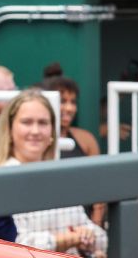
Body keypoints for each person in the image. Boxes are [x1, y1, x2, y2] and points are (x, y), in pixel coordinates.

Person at [0, 90, 107, 257]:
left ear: (52, 132)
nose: (35, 131)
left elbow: (101, 238)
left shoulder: (60, 176)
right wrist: (68, 239)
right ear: (10, 129)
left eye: (43, 123)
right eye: (27, 122)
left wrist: (87, 236)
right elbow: (15, 244)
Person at [39, 63, 103, 224]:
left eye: (73, 102)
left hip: (85, 228)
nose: (69, 108)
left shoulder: (86, 139)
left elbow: (100, 192)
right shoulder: (36, 142)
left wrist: (94, 230)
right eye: (62, 101)